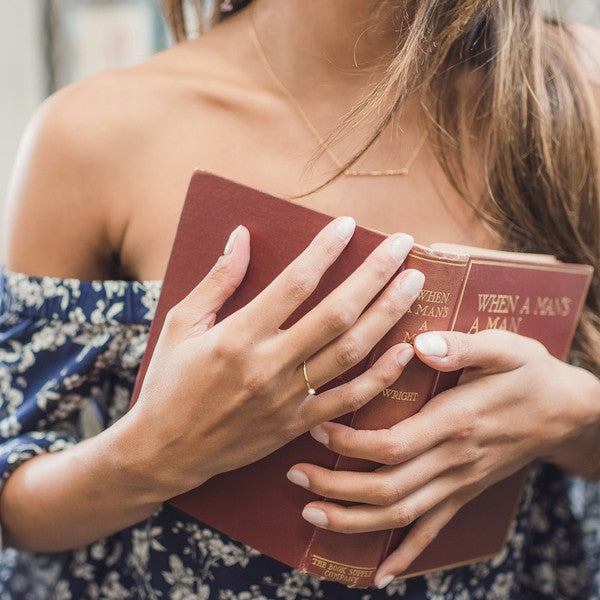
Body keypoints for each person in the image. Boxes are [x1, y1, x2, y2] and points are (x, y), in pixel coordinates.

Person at [0, 0, 599, 597]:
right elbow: (13, 494)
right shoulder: (97, 132)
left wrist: (573, 414)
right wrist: (148, 458)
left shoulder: (572, 90)